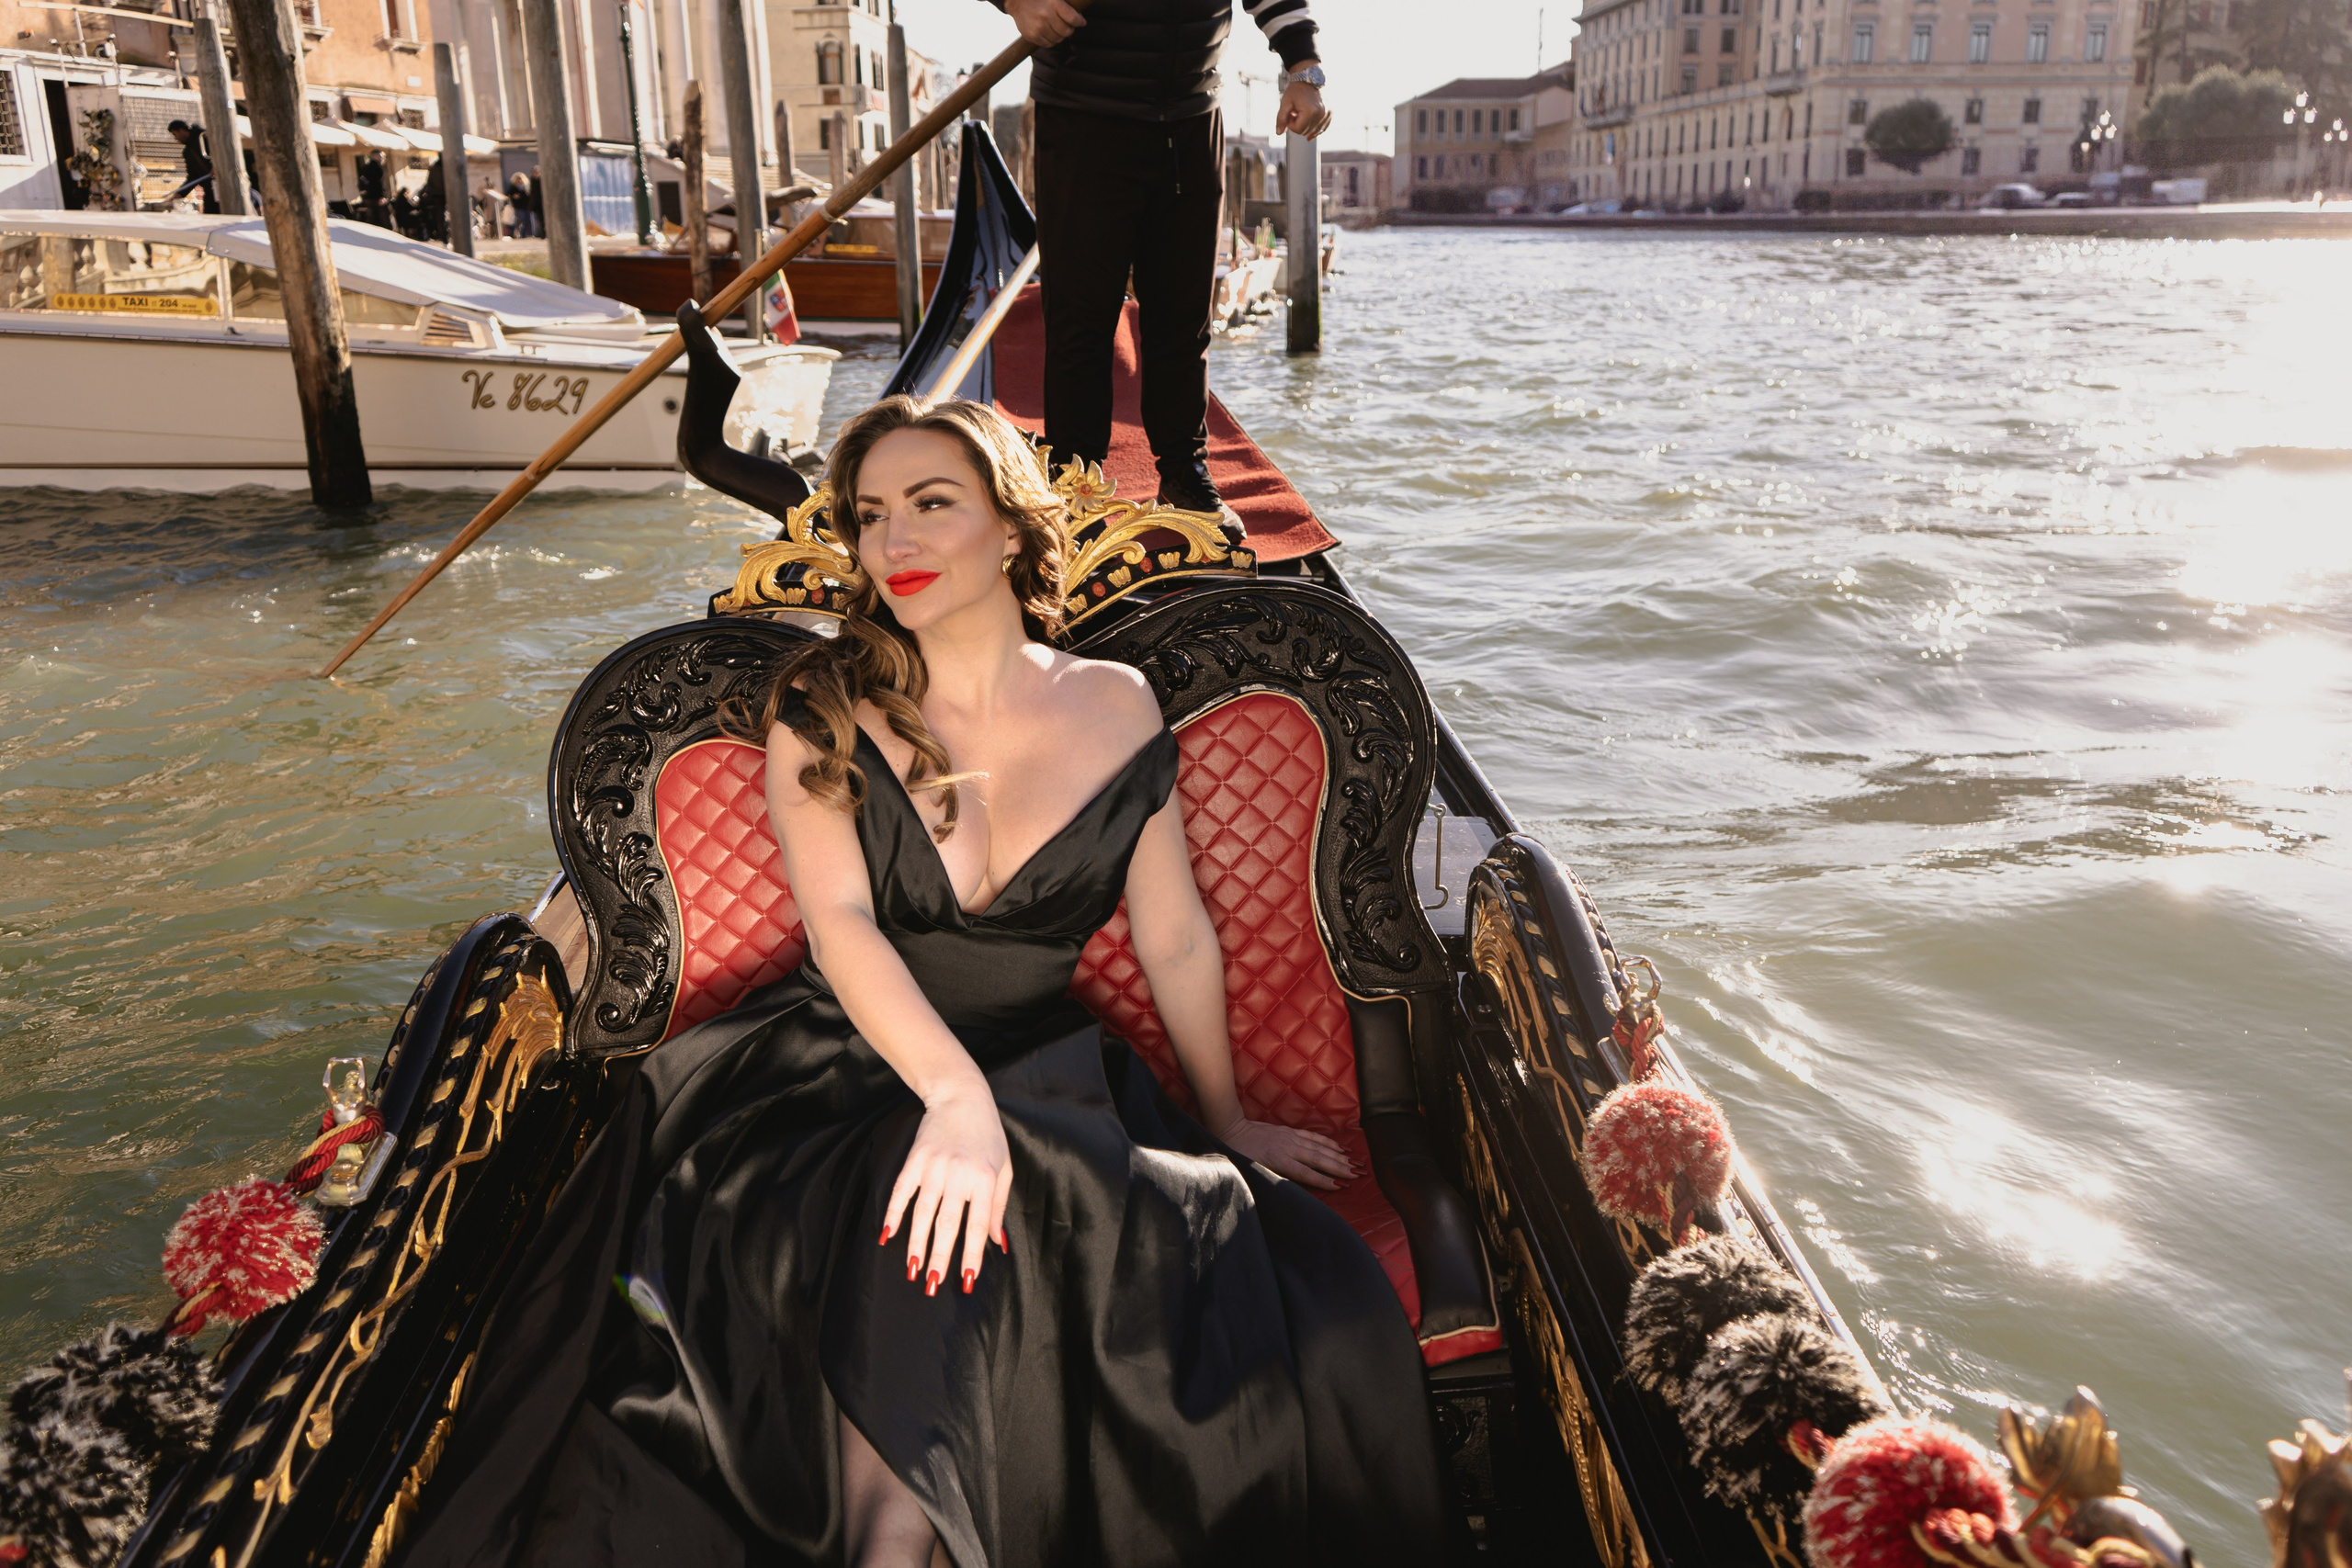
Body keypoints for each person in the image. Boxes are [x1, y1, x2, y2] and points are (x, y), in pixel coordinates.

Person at [402, 396, 1444, 1568]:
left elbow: (1177, 941)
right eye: (869, 515)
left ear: (1010, 528)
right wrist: (954, 1100)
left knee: (1115, 1224)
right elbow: (843, 928)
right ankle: (893, 1541)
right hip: (828, 1071)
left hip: (1045, 1071)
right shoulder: (821, 707)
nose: (892, 541)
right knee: (908, 1196)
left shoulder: (1115, 702)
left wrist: (1224, 1116)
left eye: (931, 504)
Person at [1001, 0, 1332, 517]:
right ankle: (1074, 486)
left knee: (1183, 318)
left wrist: (1303, 68)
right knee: (1079, 319)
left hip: (1190, 116)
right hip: (1080, 112)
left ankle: (1183, 475)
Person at [164, 119, 218, 214]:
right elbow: (193, 176)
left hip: (225, 184)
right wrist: (180, 193)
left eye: (175, 134)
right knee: (211, 214)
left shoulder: (204, 137)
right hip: (211, 189)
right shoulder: (188, 152)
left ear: (181, 130)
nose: (176, 138)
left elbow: (220, 151)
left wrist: (217, 166)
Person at [506, 170, 534, 237]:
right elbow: (508, 194)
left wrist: (529, 195)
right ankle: (519, 233)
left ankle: (529, 234)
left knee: (528, 220)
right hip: (518, 206)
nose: (519, 181)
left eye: (520, 179)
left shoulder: (526, 186)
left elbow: (530, 195)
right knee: (521, 219)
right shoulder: (513, 187)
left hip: (527, 205)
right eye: (518, 179)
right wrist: (514, 196)